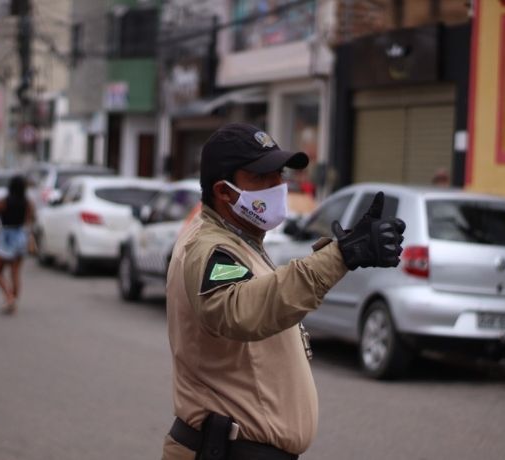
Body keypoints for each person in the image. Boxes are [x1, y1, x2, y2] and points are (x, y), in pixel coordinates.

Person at [162, 123, 406, 459]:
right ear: (224, 191)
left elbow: (269, 294)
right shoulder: (210, 247)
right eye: (262, 178)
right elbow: (238, 310)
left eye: (279, 174)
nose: (278, 186)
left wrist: (342, 249)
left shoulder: (241, 241)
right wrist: (341, 256)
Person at [0, 175, 35, 315]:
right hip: (21, 236)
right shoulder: (27, 202)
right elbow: (29, 220)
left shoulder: (5, 201)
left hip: (7, 236)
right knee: (15, 272)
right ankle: (13, 301)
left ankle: (9, 297)